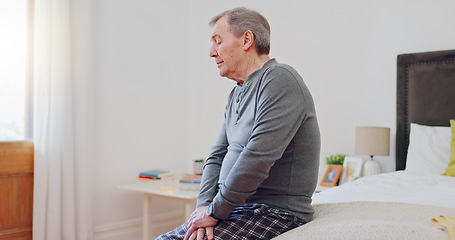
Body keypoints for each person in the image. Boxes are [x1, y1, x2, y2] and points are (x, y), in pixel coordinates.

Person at [156, 7, 320, 240]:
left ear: (246, 40)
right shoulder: (237, 93)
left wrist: (216, 210)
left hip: (274, 212)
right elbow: (216, 155)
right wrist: (203, 208)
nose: (212, 52)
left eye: (218, 41)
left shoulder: (279, 79)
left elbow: (258, 157)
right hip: (236, 208)